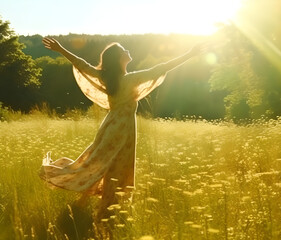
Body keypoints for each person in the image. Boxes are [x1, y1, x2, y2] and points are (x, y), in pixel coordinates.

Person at [39, 37, 206, 220]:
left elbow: (82, 65)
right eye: (124, 50)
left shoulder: (109, 78)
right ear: (119, 59)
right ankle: (104, 210)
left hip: (111, 126)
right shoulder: (130, 79)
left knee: (102, 165)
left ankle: (85, 204)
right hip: (123, 129)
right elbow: (162, 67)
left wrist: (61, 49)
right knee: (115, 167)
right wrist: (190, 54)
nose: (128, 52)